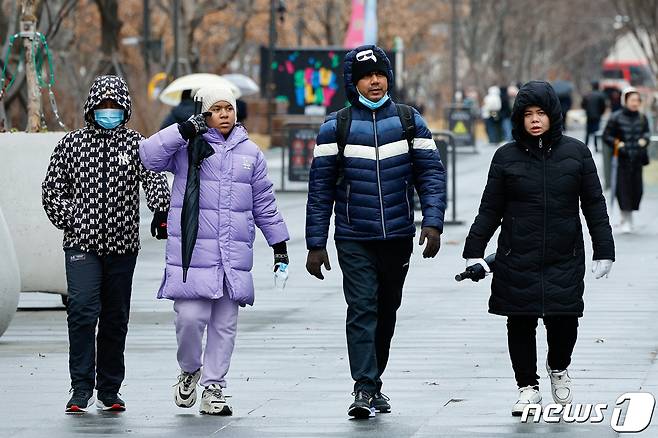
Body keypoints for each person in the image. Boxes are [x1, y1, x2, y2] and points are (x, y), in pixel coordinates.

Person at [305, 44, 447, 419]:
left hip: (398, 235)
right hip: (354, 236)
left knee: (386, 311)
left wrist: (432, 222)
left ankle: (373, 381)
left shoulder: (408, 119)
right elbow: (319, 189)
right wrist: (315, 244)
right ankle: (364, 388)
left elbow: (431, 173)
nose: (374, 81)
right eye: (366, 76)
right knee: (362, 308)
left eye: (380, 74)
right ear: (354, 83)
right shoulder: (336, 126)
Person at [462, 81, 615, 416]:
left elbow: (594, 203)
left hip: (565, 253)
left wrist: (604, 249)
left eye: (541, 113)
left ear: (552, 115)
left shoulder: (576, 153)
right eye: (528, 114)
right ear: (519, 118)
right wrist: (474, 249)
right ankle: (527, 387)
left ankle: (558, 367)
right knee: (520, 321)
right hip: (517, 254)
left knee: (565, 321)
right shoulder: (505, 156)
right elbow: (490, 208)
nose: (534, 120)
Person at [139, 86, 290, 415]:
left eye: (228, 108)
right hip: (193, 256)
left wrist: (279, 245)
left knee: (224, 327)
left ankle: (214, 389)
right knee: (190, 319)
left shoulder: (250, 154)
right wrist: (182, 130)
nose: (223, 114)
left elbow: (264, 202)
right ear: (204, 113)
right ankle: (190, 369)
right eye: (216, 109)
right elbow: (148, 156)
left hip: (232, 258)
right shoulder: (187, 148)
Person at [41, 75, 171, 413]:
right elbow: (51, 191)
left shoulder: (135, 144)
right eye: (103, 106)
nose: (108, 112)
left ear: (125, 109)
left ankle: (109, 388)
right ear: (91, 107)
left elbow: (154, 177)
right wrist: (74, 218)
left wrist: (161, 210)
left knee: (115, 318)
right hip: (81, 244)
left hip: (122, 246)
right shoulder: (71, 145)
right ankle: (80, 387)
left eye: (115, 107)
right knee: (82, 312)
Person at [602, 87, 652, 233]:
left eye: (637, 100)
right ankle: (625, 219)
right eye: (632, 100)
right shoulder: (615, 117)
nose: (635, 103)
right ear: (625, 101)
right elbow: (607, 136)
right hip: (622, 161)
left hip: (637, 159)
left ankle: (629, 217)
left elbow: (647, 133)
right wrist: (618, 144)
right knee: (623, 191)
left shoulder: (642, 117)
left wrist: (645, 139)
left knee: (637, 191)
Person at [581, 81, 607, 151]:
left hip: (589, 115)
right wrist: (601, 113)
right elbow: (603, 106)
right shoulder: (601, 95)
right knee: (596, 131)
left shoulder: (587, 95)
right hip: (597, 116)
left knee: (588, 132)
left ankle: (585, 146)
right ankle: (596, 147)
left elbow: (583, 105)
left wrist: (587, 111)